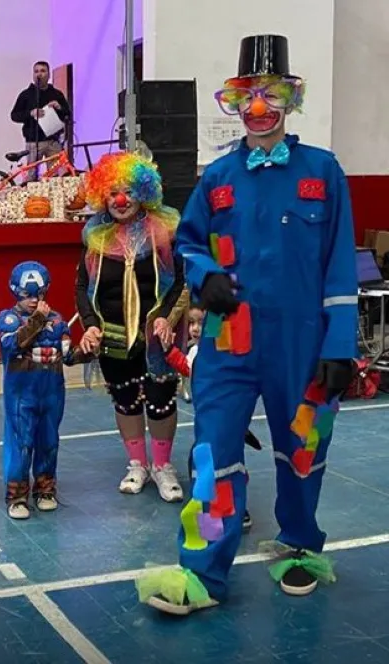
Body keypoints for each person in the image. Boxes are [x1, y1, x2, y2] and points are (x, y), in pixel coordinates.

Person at [138, 34, 357, 616]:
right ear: (234, 104)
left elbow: (339, 265)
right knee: (212, 454)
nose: (259, 109)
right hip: (228, 342)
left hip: (303, 342)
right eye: (248, 97)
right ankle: (204, 573)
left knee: (303, 448)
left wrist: (340, 345)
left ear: (290, 100)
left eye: (271, 95)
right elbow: (187, 242)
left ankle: (302, 546)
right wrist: (203, 272)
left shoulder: (324, 172)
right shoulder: (219, 178)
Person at [74, 151, 189, 502]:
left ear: (144, 192)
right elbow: (83, 286)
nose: (120, 200)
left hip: (156, 336)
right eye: (112, 193)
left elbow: (182, 281)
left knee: (160, 400)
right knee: (125, 399)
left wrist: (167, 320)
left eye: (128, 191)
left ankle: (163, 466)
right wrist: (90, 325)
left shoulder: (165, 230)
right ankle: (137, 463)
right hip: (112, 333)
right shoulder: (96, 236)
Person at [163, 303, 260, 532]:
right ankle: (204, 503)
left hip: (226, 415)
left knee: (229, 462)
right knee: (199, 459)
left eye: (201, 322)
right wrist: (168, 350)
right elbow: (186, 367)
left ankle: (237, 506)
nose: (196, 328)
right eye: (192, 323)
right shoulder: (196, 351)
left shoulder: (222, 351)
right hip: (206, 419)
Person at [0, 261, 72, 519]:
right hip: (21, 394)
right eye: (27, 295)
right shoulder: (7, 319)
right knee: (21, 442)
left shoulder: (58, 320)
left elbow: (68, 355)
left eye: (38, 295)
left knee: (49, 441)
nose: (33, 300)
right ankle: (16, 495)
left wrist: (89, 348)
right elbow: (12, 346)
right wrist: (37, 320)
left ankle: (45, 488)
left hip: (52, 392)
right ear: (15, 291)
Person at [10, 61, 71, 181]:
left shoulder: (56, 94)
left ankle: (53, 198)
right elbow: (14, 115)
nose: (39, 74)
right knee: (31, 176)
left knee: (55, 177)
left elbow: (68, 114)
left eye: (43, 71)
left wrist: (59, 107)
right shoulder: (26, 95)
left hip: (53, 141)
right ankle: (30, 199)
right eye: (36, 71)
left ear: (49, 75)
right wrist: (30, 113)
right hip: (33, 141)